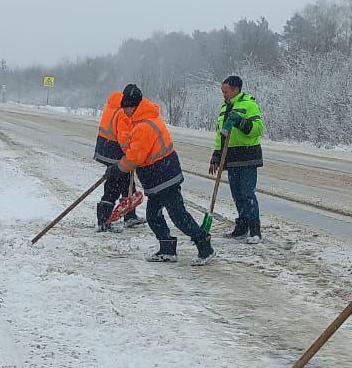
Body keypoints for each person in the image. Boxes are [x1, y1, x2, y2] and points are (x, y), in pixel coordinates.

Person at [112, 84, 214, 265]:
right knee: (153, 215)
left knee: (178, 216)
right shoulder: (143, 120)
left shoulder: (144, 125)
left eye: (126, 108)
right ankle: (167, 249)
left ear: (133, 106)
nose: (124, 112)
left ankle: (204, 245)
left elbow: (135, 157)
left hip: (164, 177)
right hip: (157, 178)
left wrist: (118, 168)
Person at [207, 75, 264, 243]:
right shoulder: (225, 109)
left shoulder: (249, 105)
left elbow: (257, 129)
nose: (223, 95)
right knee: (237, 195)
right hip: (230, 158)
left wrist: (239, 122)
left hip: (247, 157)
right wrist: (216, 156)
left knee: (247, 193)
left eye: (225, 91)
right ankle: (242, 226)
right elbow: (220, 136)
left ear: (235, 90)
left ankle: (255, 230)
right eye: (222, 91)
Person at [92, 89, 142, 231]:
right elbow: (123, 137)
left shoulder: (112, 106)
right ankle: (103, 221)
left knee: (127, 184)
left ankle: (130, 215)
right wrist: (130, 154)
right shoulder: (122, 112)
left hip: (104, 149)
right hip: (115, 152)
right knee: (113, 186)